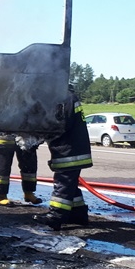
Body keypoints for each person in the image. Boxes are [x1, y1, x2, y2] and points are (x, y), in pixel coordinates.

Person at [36, 87, 93, 230]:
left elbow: (60, 124)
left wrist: (41, 132)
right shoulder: (69, 96)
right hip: (75, 148)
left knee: (63, 184)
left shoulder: (64, 98)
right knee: (71, 185)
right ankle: (78, 215)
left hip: (69, 151)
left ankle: (55, 217)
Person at [0, 133, 42, 206]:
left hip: (26, 134)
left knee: (29, 165)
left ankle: (29, 193)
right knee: (3, 167)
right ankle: (1, 196)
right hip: (5, 134)